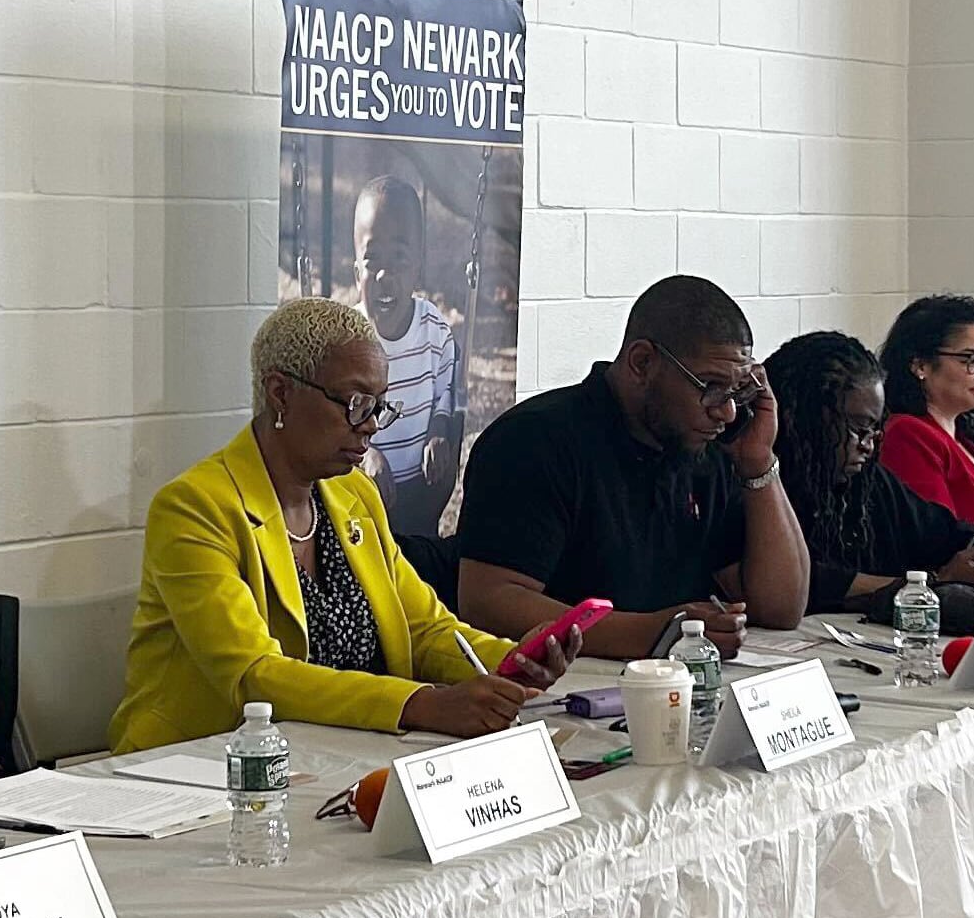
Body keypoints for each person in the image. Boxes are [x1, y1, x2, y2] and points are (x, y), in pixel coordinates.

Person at [110, 297, 561, 752]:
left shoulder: (354, 495)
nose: (371, 426)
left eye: (379, 406)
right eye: (355, 403)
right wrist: (421, 704)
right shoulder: (194, 508)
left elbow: (425, 628)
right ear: (280, 393)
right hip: (195, 765)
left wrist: (513, 661)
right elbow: (255, 675)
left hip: (335, 754)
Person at [453, 274, 812, 662]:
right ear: (642, 362)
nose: (726, 411)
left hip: (667, 682)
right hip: (558, 683)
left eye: (737, 392)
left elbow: (780, 610)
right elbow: (488, 601)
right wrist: (657, 634)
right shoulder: (535, 440)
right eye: (711, 386)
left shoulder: (703, 449)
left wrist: (758, 462)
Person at [765, 330, 974, 630]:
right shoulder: (762, 485)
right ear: (805, 418)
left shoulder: (869, 483)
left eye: (875, 430)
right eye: (858, 428)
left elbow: (945, 533)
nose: (869, 445)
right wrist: (934, 583)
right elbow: (809, 581)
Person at [350, 174, 466, 537]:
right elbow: (337, 417)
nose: (385, 274)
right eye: (372, 260)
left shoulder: (433, 329)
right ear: (357, 273)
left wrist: (439, 429)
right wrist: (365, 455)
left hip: (420, 492)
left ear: (417, 268)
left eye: (399, 258)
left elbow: (445, 389)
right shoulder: (349, 339)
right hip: (364, 496)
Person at [875, 294, 974, 543]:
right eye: (970, 359)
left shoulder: (967, 437)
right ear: (921, 365)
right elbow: (935, 541)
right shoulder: (906, 435)